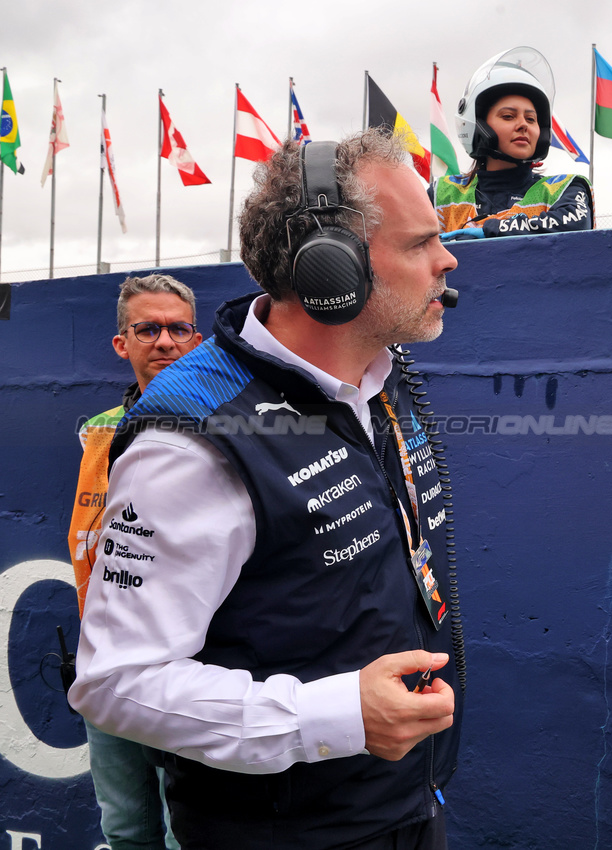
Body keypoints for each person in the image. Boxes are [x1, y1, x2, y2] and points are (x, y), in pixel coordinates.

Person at [70, 131, 464, 850]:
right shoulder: (189, 443)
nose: (447, 260)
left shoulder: (378, 380)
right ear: (330, 270)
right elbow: (115, 682)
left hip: (403, 804)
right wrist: (338, 715)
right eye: (419, 243)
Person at [68, 273, 201, 850]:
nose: (165, 342)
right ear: (122, 343)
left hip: (190, 667)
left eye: (178, 329)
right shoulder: (97, 432)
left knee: (183, 833)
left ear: (196, 340)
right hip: (107, 660)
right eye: (147, 329)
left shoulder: (226, 425)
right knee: (123, 829)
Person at [436, 46, 593, 240]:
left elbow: (576, 223)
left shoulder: (563, 189)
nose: (523, 125)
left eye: (531, 119)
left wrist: (493, 230)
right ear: (479, 126)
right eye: (509, 116)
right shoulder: (442, 194)